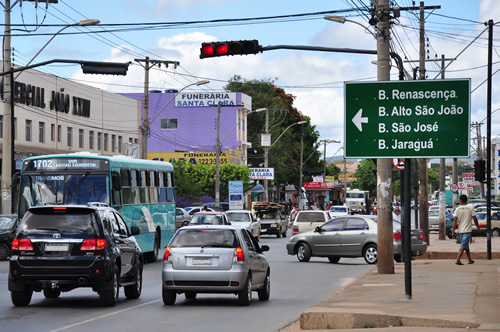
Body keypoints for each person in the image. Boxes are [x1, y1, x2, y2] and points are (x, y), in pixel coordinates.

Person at [451, 195, 480, 265]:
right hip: (467, 230)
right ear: (466, 200)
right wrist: (478, 227)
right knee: (463, 245)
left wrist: (453, 231)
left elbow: (455, 220)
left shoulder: (458, 209)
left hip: (461, 230)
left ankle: (470, 260)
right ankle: (458, 259)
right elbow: (475, 218)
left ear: (460, 200)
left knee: (465, 245)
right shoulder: (470, 208)